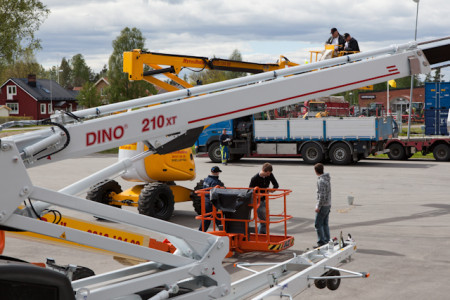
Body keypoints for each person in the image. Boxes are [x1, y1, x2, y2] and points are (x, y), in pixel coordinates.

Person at [249, 163, 279, 234]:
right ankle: (261, 235)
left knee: (266, 221)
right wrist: (258, 195)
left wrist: (272, 190)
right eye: (268, 173)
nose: (269, 175)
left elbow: (276, 184)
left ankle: (261, 235)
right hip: (258, 201)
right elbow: (250, 191)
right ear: (263, 171)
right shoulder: (254, 179)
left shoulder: (270, 175)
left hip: (265, 200)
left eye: (270, 173)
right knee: (264, 221)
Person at [199, 166, 225, 231]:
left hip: (205, 201)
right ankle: (224, 232)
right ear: (217, 173)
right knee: (218, 219)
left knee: (206, 219)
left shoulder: (206, 180)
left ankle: (200, 232)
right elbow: (216, 194)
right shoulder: (215, 182)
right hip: (212, 203)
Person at [314, 163, 331, 247]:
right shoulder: (327, 179)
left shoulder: (321, 181)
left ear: (316, 171)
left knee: (318, 224)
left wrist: (318, 206)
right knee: (325, 223)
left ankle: (321, 241)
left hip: (323, 205)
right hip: (328, 204)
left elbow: (322, 195)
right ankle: (327, 240)